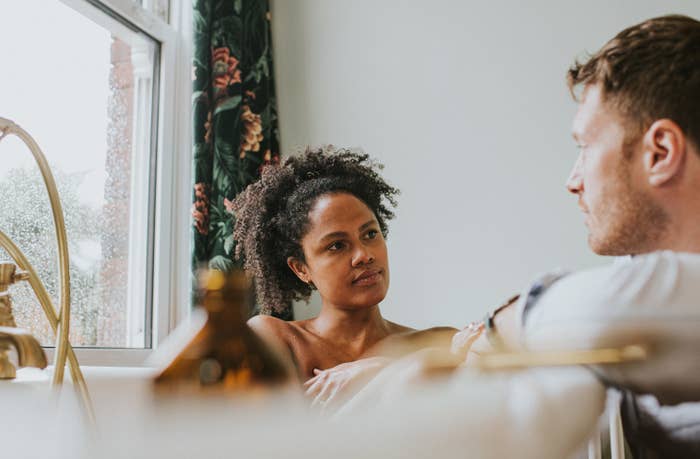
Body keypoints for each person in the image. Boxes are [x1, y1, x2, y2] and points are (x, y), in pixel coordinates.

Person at [341, 14, 700, 457]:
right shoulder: (637, 286)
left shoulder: (634, 304)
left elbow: (599, 315)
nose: (573, 179)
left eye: (584, 147)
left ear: (660, 153)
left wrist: (501, 327)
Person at [231, 147, 456, 404]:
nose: (364, 255)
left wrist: (380, 368)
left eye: (370, 234)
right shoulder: (275, 338)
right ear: (301, 268)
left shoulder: (438, 343)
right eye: (336, 245)